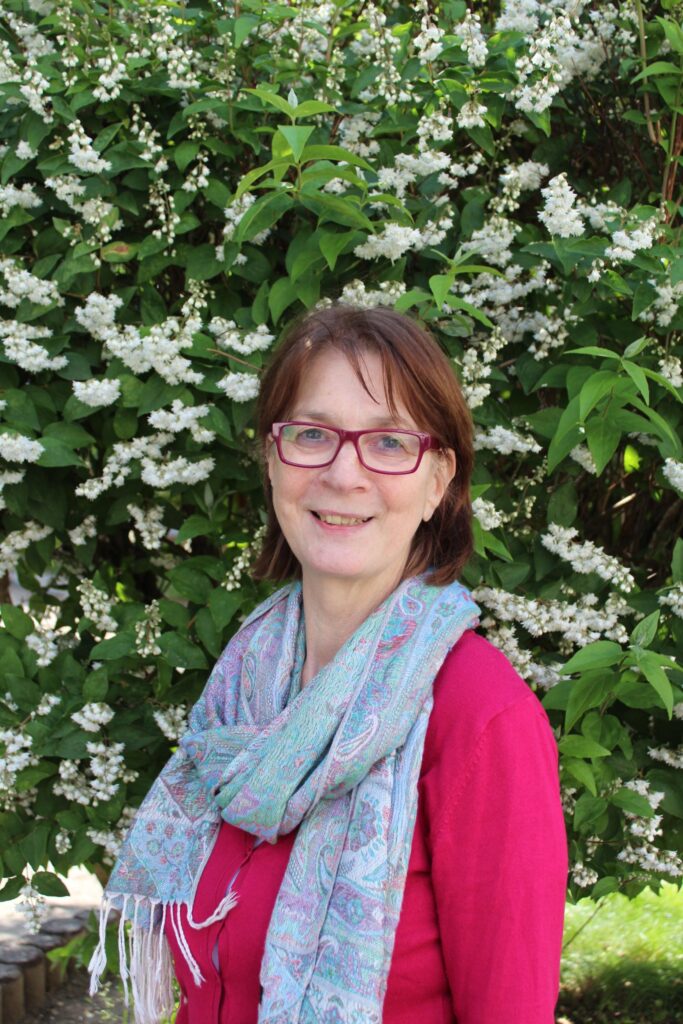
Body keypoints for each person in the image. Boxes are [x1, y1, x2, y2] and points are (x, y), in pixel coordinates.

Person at [89, 306, 568, 1024]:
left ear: (438, 480)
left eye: (387, 442)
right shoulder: (246, 685)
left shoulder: (478, 718)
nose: (344, 474)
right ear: (273, 458)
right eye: (311, 435)